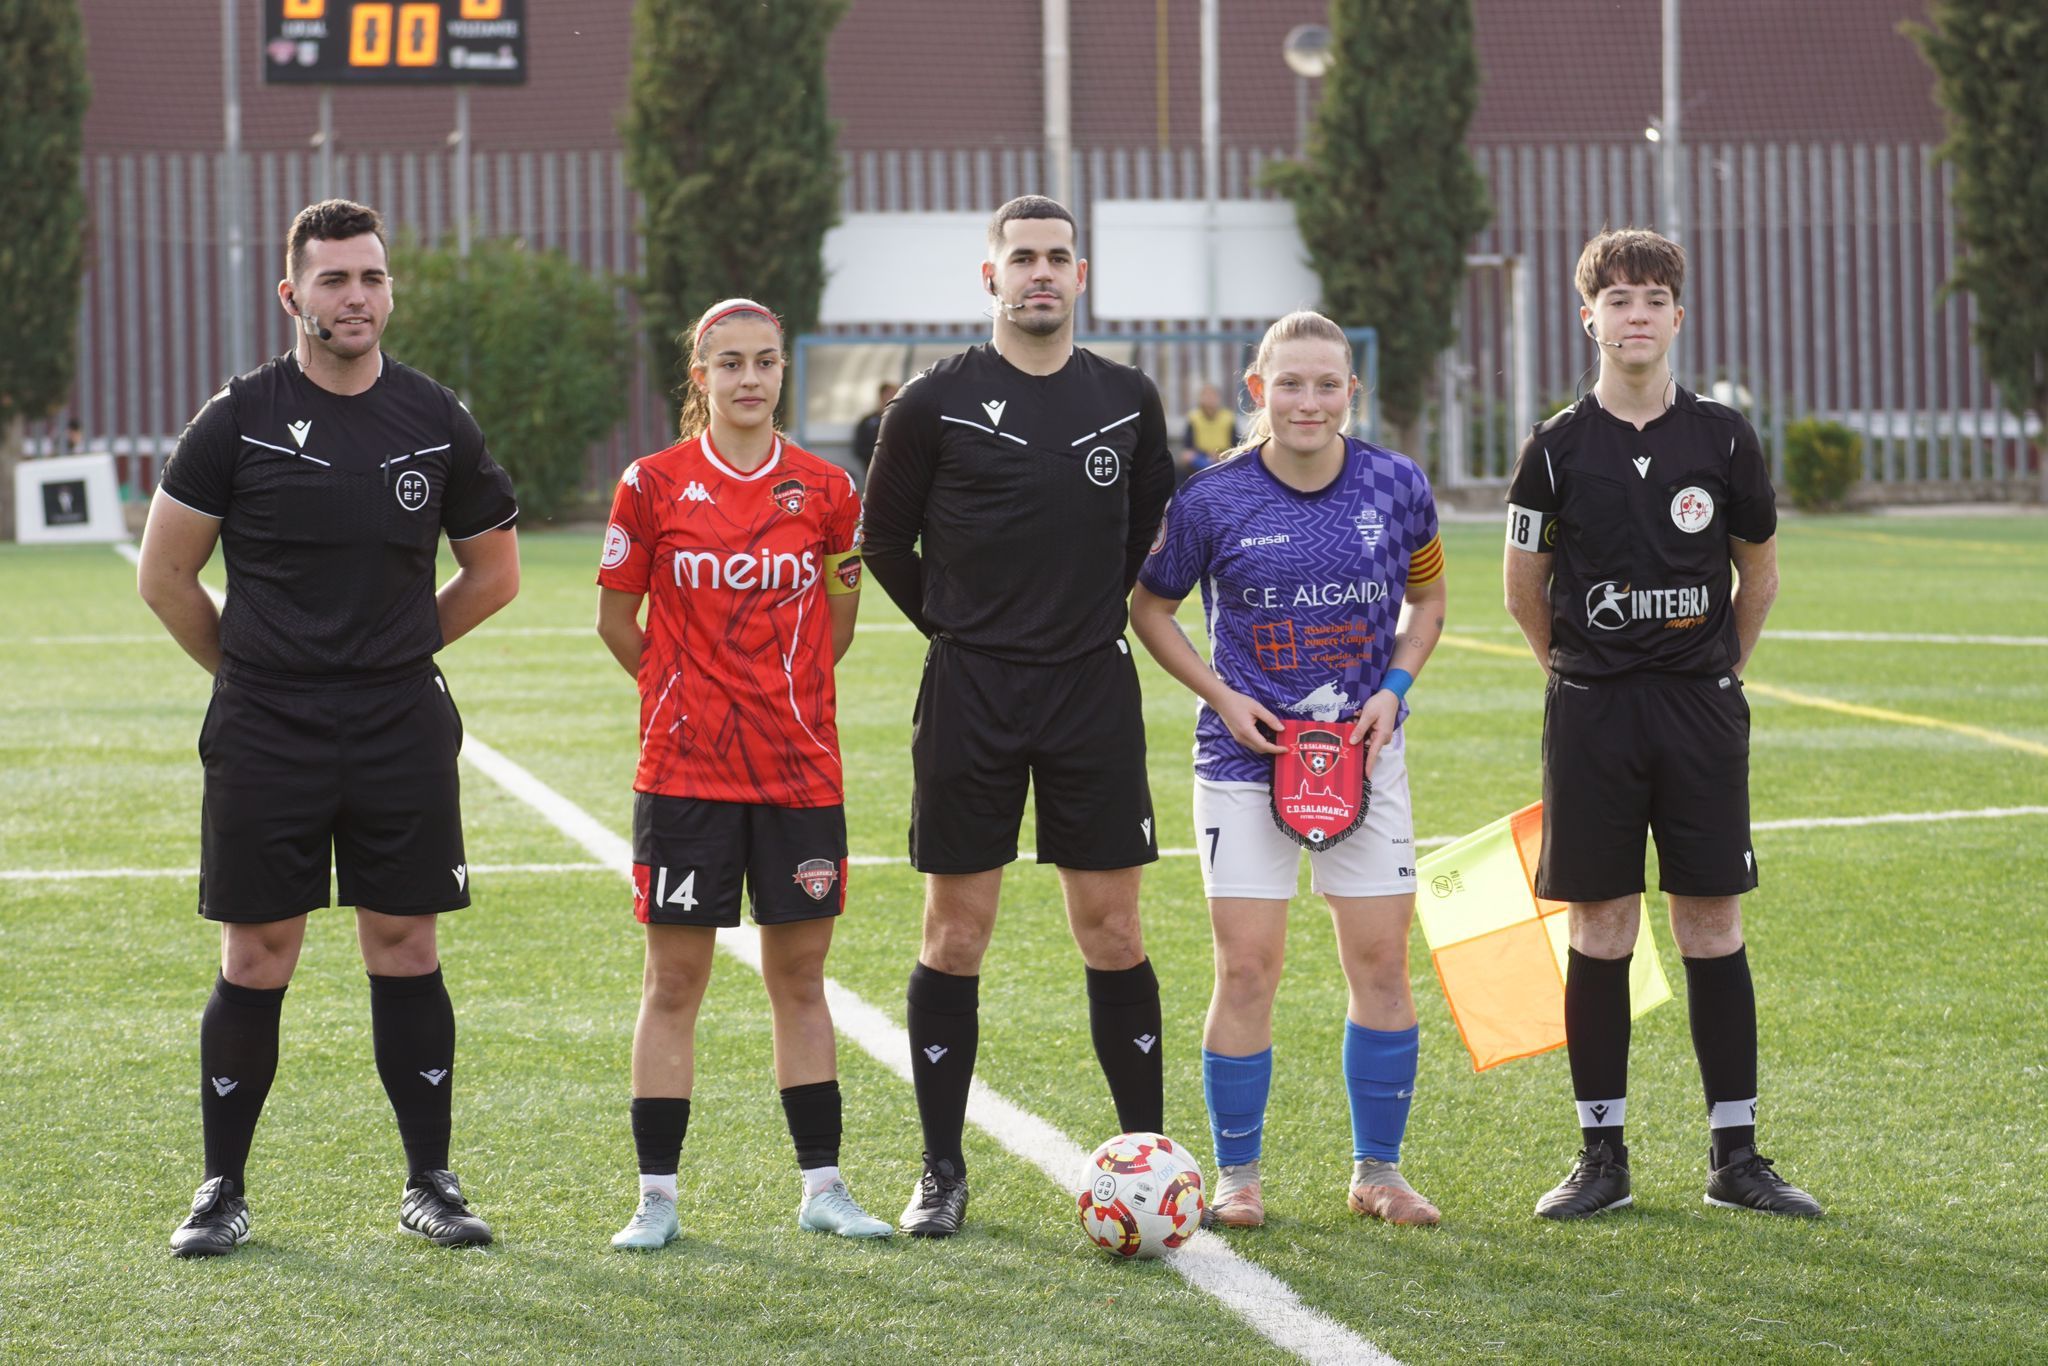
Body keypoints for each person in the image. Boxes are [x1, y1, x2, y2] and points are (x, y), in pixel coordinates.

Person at [136, 199, 520, 1257]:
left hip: (397, 721)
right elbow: (165, 577)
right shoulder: (239, 416)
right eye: (334, 280)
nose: (355, 297)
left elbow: (494, 574)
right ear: (291, 294)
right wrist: (258, 671)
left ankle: (430, 1182)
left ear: (389, 290)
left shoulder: (433, 416)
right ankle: (221, 1188)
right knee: (258, 953)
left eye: (371, 278)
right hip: (267, 725)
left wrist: (392, 650)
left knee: (405, 943)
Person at [863, 195, 1175, 1237]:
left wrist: (1072, 620)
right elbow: (882, 543)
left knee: (1114, 929)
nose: (1039, 273)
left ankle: (1153, 1162)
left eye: (1056, 258)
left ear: (1079, 277)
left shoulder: (1127, 399)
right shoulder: (932, 402)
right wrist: (957, 629)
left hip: (1090, 686)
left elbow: (1146, 534)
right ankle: (940, 1169)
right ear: (987, 276)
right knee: (955, 935)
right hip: (972, 691)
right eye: (1021, 258)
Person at [1503, 227, 1819, 1219]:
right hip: (1592, 714)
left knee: (1709, 922)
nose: (1633, 315)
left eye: (1651, 299)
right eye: (1616, 299)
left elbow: (1755, 572)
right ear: (1586, 314)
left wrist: (1718, 667)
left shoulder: (1721, 438)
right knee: (1599, 928)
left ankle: (1735, 1155)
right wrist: (1575, 672)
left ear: (1675, 317)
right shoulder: (1553, 448)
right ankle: (1600, 1155)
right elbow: (1523, 589)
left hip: (1697, 713)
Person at [1131, 310, 1448, 1229]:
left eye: (1327, 384)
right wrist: (1223, 697)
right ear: (1256, 391)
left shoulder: (1397, 484)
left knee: (1383, 961)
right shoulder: (1210, 498)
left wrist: (1394, 688)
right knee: (1248, 968)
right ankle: (1239, 1177)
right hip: (1242, 760)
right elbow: (1150, 609)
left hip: (1366, 757)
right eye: (1290, 384)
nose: (1308, 401)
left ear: (1352, 392)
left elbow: (1426, 600)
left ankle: (1378, 1172)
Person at [595, 297, 890, 1250]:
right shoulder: (650, 484)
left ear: (781, 374)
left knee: (800, 981)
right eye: (730, 364)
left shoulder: (830, 491)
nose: (751, 378)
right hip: (683, 775)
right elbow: (616, 622)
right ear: (702, 377)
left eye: (765, 362)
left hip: (800, 774)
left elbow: (838, 625)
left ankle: (824, 1187)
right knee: (673, 983)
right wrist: (688, 697)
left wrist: (778, 697)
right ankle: (657, 1199)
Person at [1178, 382, 1237, 486]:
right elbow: (1188, 446)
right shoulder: (1193, 417)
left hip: (1222, 455)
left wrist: (1221, 455)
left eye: (1213, 395)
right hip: (1200, 455)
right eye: (1206, 395)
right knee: (1187, 459)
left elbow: (1235, 444)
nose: (1210, 399)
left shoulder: (1228, 417)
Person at [850, 380, 898, 482]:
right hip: (874, 473)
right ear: (881, 396)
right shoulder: (867, 422)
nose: (893, 397)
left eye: (895, 394)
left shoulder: (903, 421)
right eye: (889, 394)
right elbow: (859, 448)